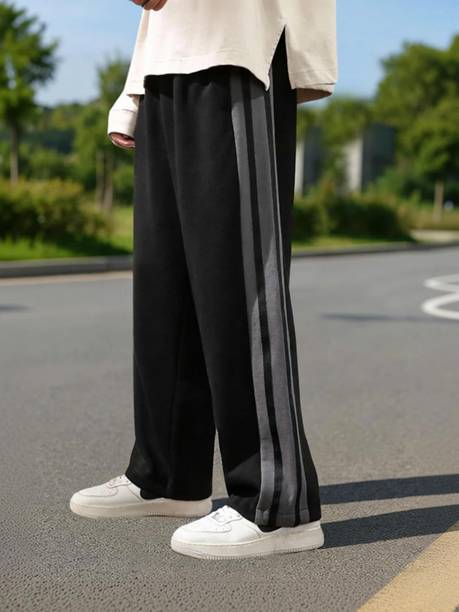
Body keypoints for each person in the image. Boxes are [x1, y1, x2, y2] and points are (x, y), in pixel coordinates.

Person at [70, 0, 338, 560]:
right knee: (166, 287)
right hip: (166, 66)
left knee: (236, 284)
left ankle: (276, 503)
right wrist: (134, 91)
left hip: (242, 50)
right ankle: (168, 475)